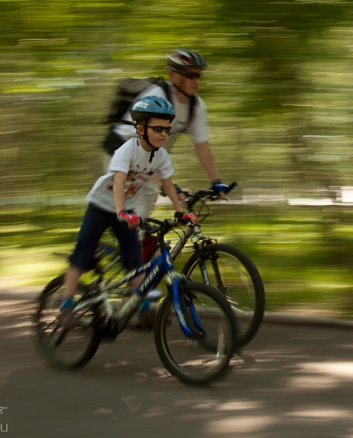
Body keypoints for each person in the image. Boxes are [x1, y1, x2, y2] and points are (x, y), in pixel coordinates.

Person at [60, 96, 196, 317]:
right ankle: (66, 303)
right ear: (141, 129)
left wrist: (181, 213)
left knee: (134, 257)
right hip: (102, 205)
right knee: (82, 253)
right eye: (158, 128)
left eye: (167, 129)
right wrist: (121, 211)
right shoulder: (127, 150)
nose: (164, 134)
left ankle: (140, 304)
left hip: (126, 209)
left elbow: (169, 186)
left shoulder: (160, 155)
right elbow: (119, 182)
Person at [104, 48, 231, 219]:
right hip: (120, 152)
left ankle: (136, 241)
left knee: (147, 201)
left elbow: (202, 147)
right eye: (190, 75)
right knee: (133, 205)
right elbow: (144, 144)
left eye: (199, 76)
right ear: (174, 76)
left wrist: (216, 182)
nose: (196, 81)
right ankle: (124, 240)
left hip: (146, 159)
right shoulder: (157, 98)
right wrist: (165, 183)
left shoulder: (195, 106)